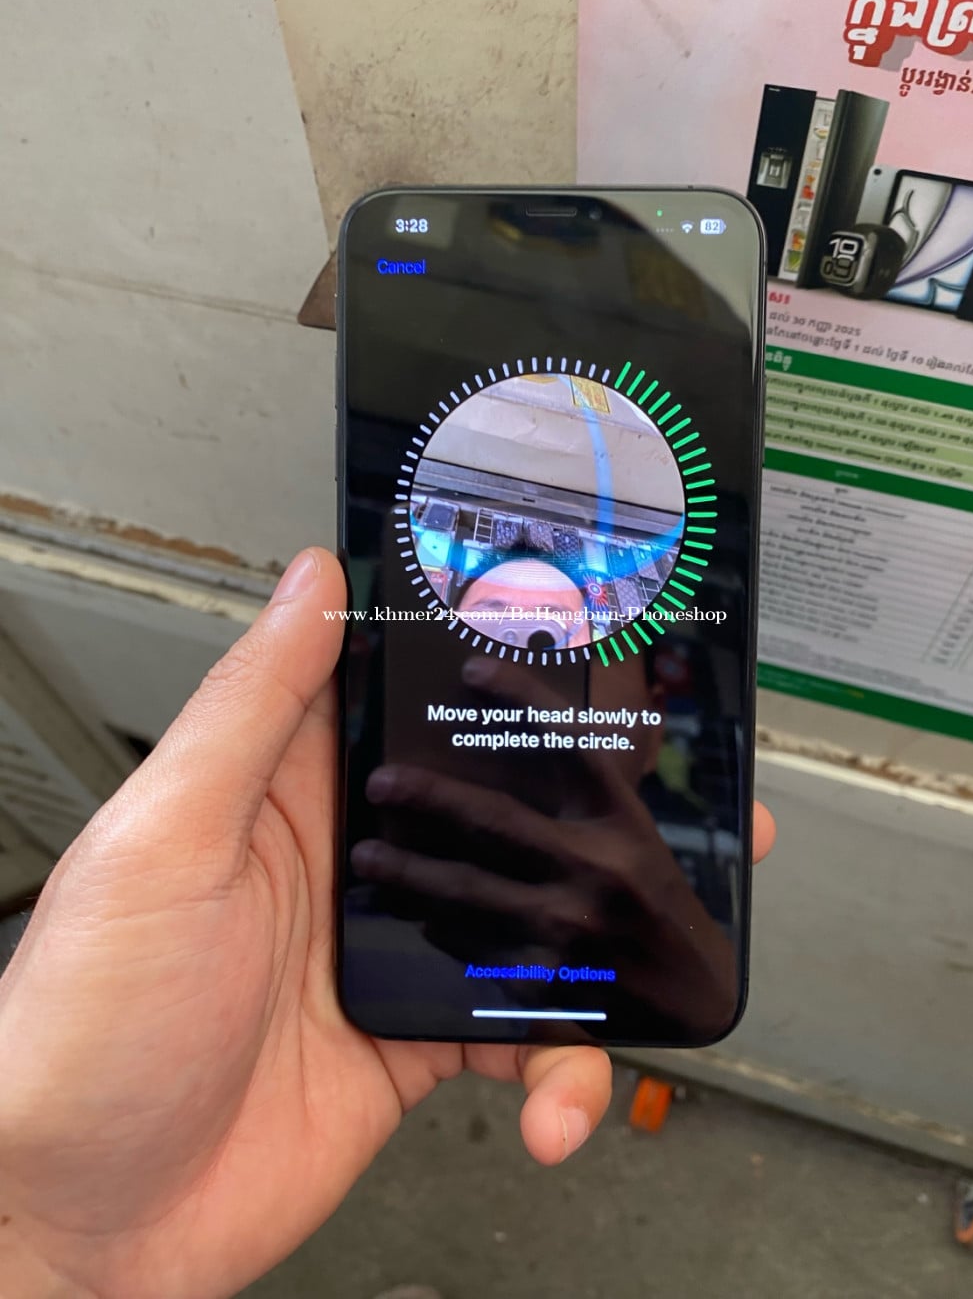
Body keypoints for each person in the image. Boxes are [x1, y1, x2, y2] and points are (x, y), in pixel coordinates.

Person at [0, 549, 776, 1299]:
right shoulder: (300, 919)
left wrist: (49, 1249)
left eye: (561, 640)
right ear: (381, 688)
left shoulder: (678, 910)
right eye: (475, 627)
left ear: (653, 719)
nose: (516, 685)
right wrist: (42, 1234)